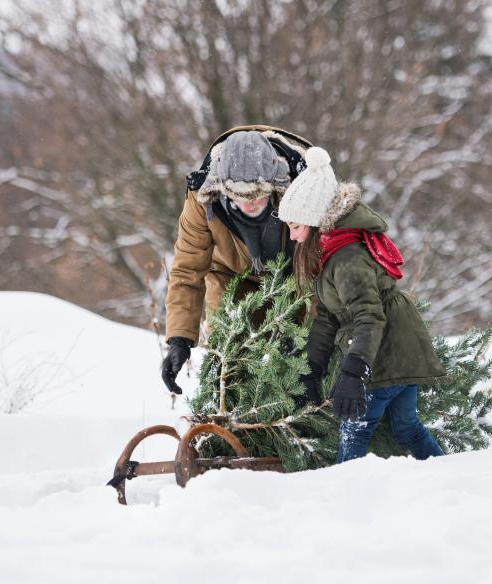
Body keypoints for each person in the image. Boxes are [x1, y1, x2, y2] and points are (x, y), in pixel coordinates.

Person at [277, 146, 448, 464]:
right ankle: (448, 474)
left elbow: (368, 317)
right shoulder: (332, 251)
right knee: (407, 428)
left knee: (354, 431)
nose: (293, 237)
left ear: (315, 222)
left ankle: (345, 498)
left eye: (296, 227)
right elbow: (329, 315)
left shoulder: (347, 259)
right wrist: (312, 372)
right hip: (399, 347)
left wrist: (354, 373)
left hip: (386, 352)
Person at [161, 125, 313, 394]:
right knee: (231, 364)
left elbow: (326, 265)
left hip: (296, 278)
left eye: (258, 194)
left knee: (300, 365)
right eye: (239, 196)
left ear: (275, 184)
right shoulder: (202, 200)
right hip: (231, 278)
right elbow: (187, 269)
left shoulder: (306, 191)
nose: (250, 204)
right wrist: (179, 339)